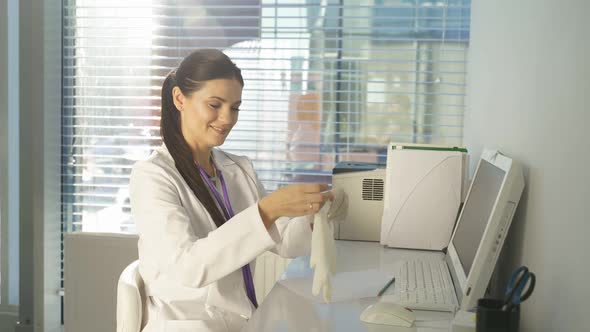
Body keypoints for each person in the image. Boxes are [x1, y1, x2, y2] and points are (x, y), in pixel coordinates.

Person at [129, 49, 340, 332]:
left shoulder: (237, 169)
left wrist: (314, 214)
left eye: (235, 107)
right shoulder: (153, 177)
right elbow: (189, 267)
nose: (227, 118)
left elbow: (287, 243)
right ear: (179, 98)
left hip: (240, 322)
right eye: (215, 104)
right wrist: (267, 210)